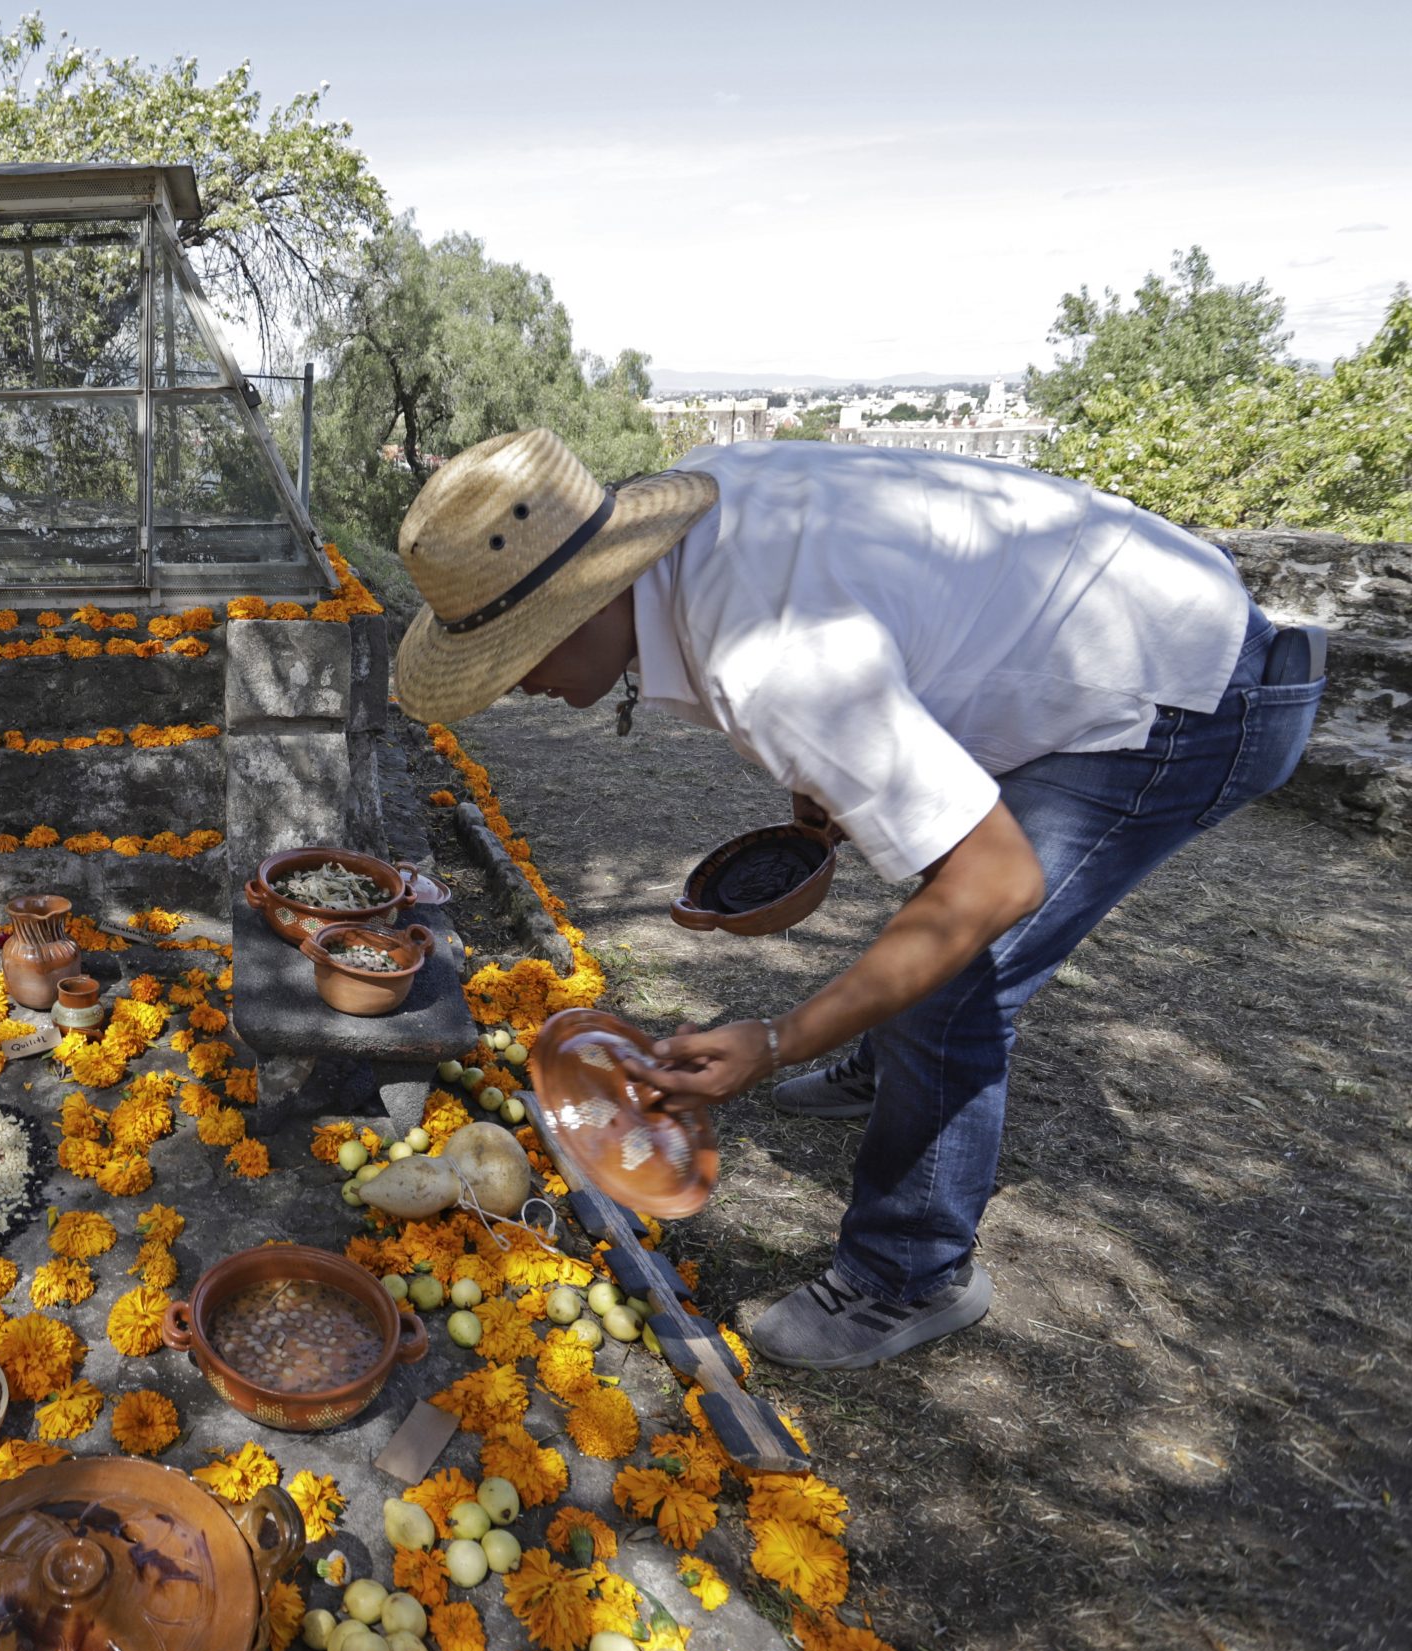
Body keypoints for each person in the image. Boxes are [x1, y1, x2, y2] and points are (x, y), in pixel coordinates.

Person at [389, 429, 1324, 1369]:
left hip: (1186, 695)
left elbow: (994, 880)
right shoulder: (705, 532)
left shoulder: (775, 656)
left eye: (512, 654)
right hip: (1120, 630)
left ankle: (910, 1272)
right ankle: (887, 1067)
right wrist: (826, 784)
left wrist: (783, 1036)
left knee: (954, 980)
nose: (515, 686)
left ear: (586, 599)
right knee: (935, 911)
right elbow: (887, 637)